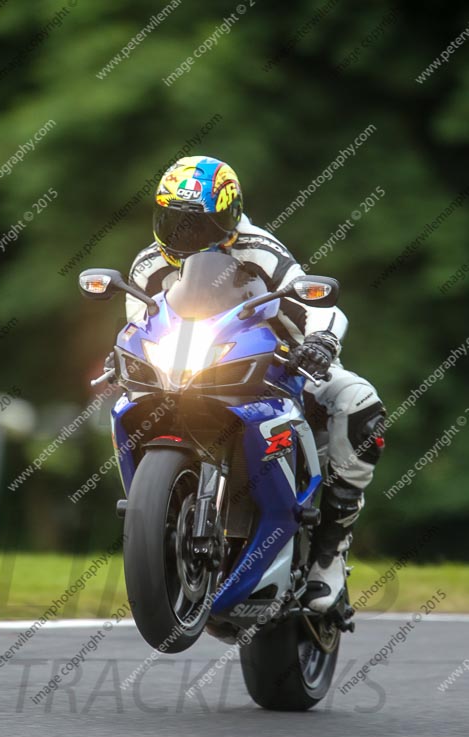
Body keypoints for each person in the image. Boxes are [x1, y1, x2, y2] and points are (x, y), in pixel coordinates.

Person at [112, 155, 385, 613]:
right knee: (122, 396)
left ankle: (329, 554)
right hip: (186, 371)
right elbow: (140, 324)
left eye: (197, 225)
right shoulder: (148, 265)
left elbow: (322, 306)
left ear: (230, 216)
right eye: (173, 221)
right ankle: (159, 524)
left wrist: (319, 342)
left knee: (360, 401)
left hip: (280, 368)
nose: (184, 236)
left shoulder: (262, 251)